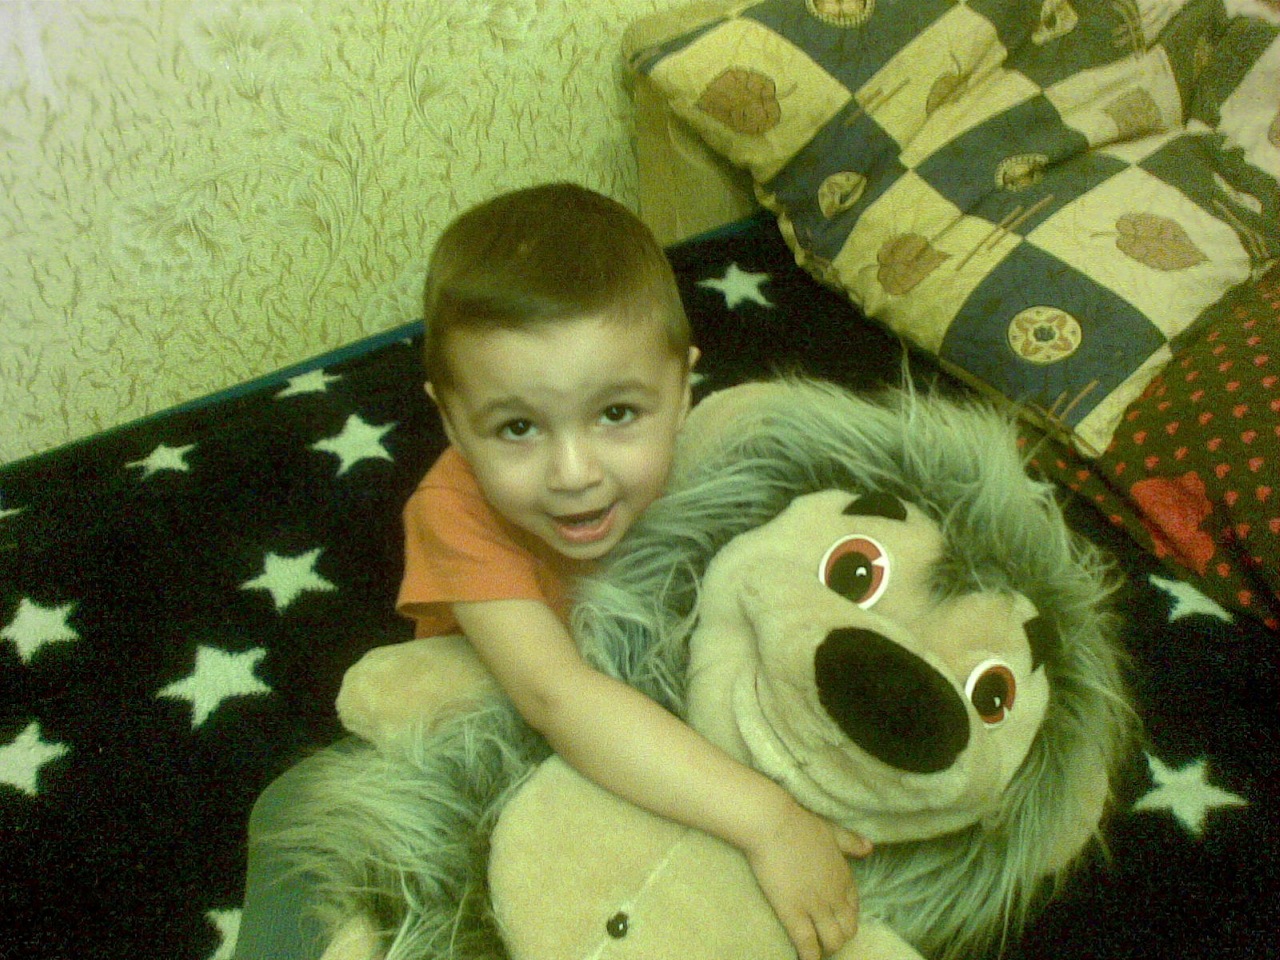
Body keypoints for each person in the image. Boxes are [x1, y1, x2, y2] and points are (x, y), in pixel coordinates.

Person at [237, 183, 868, 960]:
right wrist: (768, 820)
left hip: (662, 709)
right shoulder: (453, 507)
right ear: (452, 421)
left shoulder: (712, 465)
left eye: (617, 414)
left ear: (683, 392)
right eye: (517, 428)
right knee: (296, 807)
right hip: (501, 725)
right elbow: (552, 697)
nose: (574, 473)